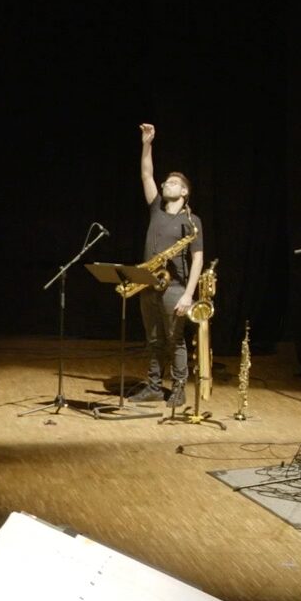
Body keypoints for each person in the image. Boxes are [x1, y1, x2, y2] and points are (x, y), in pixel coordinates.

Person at [135, 122, 206, 407]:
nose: (166, 184)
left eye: (174, 183)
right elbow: (146, 173)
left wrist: (189, 295)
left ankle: (178, 388)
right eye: (166, 182)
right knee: (153, 340)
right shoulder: (156, 208)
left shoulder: (192, 221)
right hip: (148, 282)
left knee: (175, 340)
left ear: (185, 191)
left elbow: (198, 259)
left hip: (175, 287)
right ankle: (153, 386)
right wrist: (147, 144)